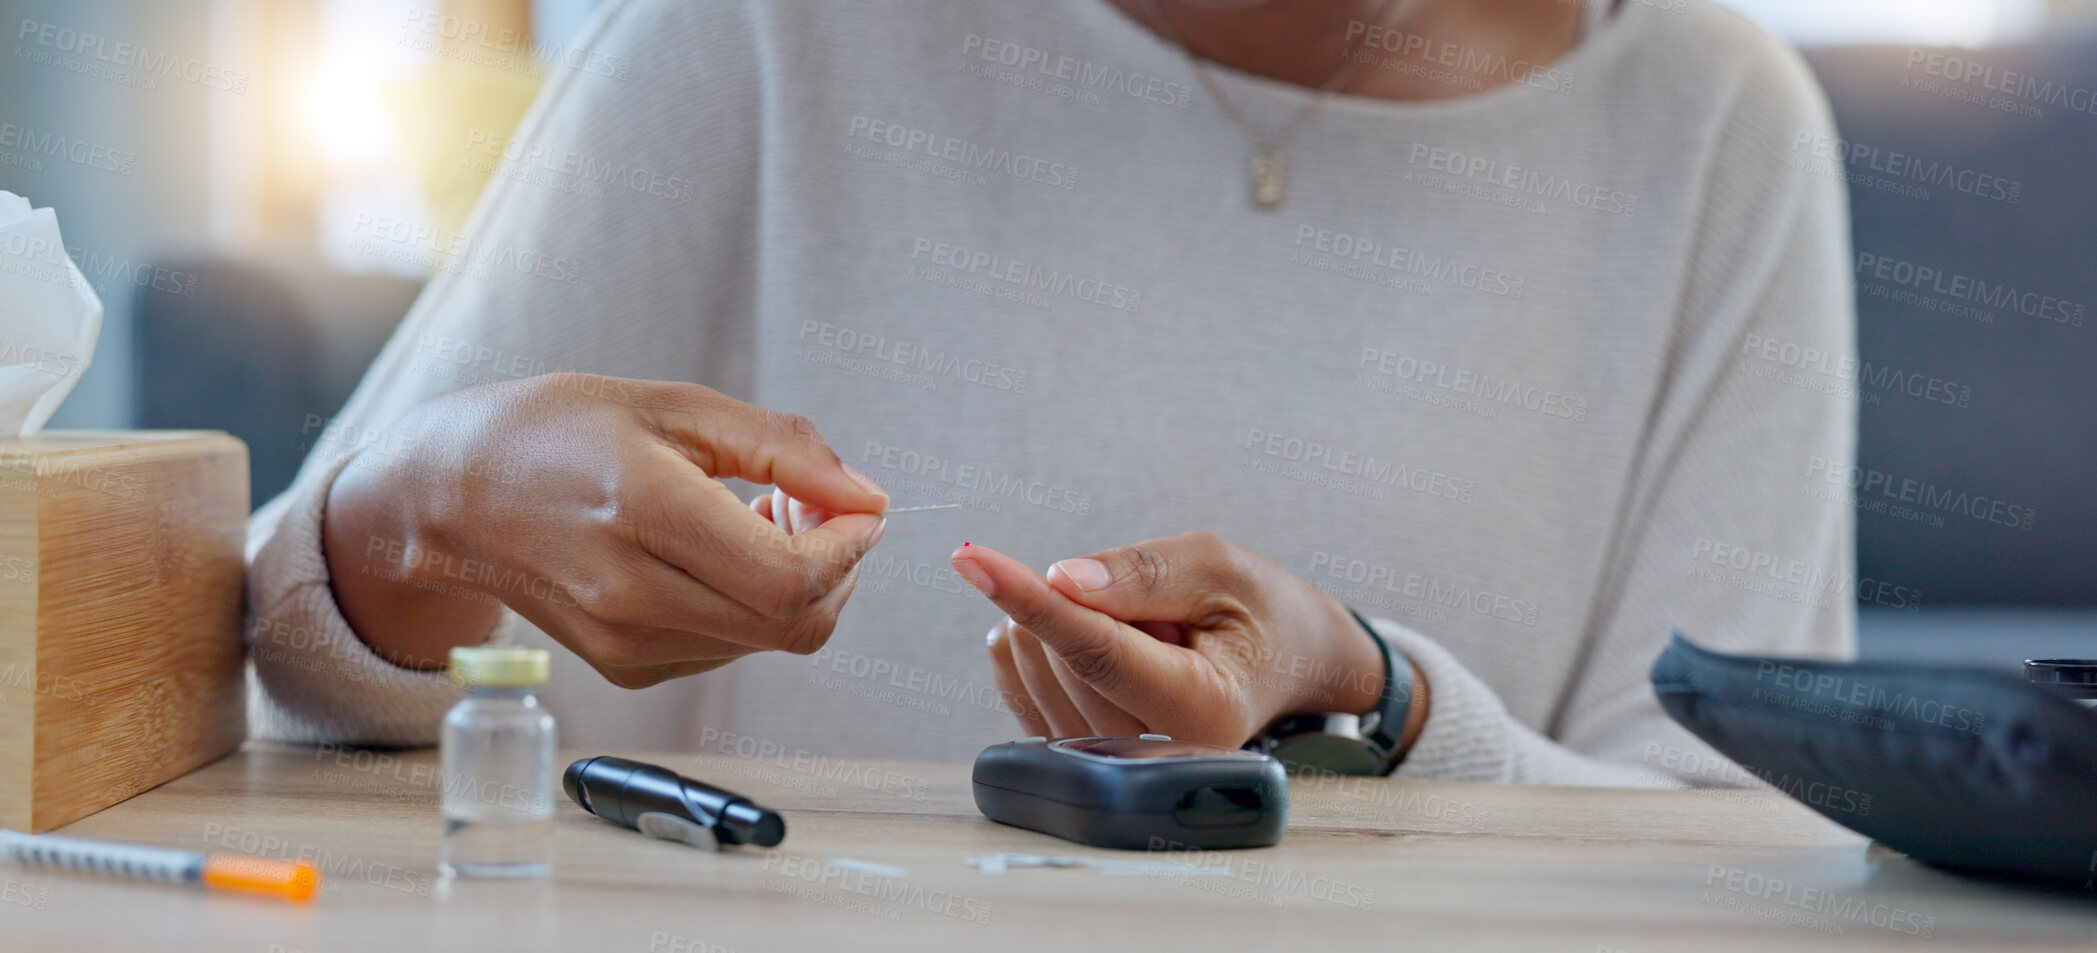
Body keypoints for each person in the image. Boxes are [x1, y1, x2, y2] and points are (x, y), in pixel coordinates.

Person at [247, 0, 1856, 785]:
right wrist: (426, 516)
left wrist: (1376, 703)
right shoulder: (762, 36)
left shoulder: (1717, 131)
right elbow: (256, 671)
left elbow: (1742, 844)